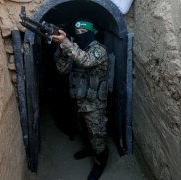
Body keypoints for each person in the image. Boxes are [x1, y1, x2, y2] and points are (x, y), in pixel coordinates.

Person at [52, 20, 109, 180]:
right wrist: (64, 49)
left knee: (97, 135)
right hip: (78, 100)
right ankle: (90, 150)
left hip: (94, 104)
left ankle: (100, 162)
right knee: (83, 130)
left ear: (92, 33)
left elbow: (86, 60)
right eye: (78, 33)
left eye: (84, 33)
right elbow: (61, 70)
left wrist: (67, 43)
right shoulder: (75, 49)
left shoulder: (99, 50)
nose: (80, 36)